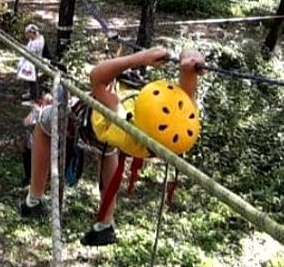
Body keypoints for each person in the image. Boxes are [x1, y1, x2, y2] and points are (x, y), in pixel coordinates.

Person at [20, 45, 205, 245]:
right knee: (108, 151)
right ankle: (104, 225)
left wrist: (140, 58)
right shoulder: (177, 133)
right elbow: (187, 92)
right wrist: (189, 63)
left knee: (44, 123)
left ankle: (34, 200)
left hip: (89, 119)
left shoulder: (123, 116)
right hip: (110, 136)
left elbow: (96, 77)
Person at [17, 23, 46, 101]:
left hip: (34, 62)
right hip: (30, 62)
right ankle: (31, 93)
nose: (27, 36)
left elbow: (31, 52)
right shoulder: (32, 40)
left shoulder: (38, 42)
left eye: (28, 34)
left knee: (33, 80)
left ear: (31, 33)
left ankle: (34, 97)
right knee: (30, 80)